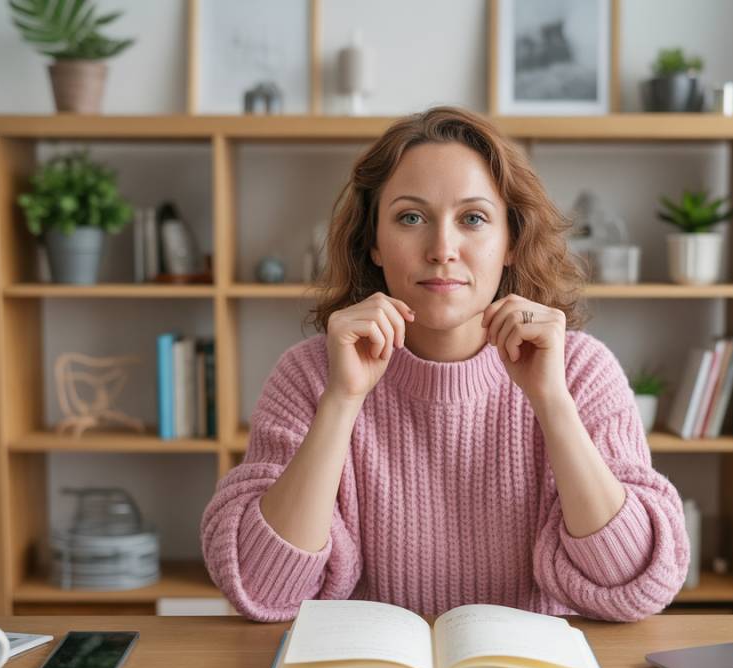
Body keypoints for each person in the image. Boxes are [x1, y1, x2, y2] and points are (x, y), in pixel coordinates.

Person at [201, 106, 688, 623]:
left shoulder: (581, 370)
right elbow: (262, 588)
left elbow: (635, 581)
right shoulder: (309, 375)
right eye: (411, 218)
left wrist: (551, 401)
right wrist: (341, 401)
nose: (442, 249)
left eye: (473, 219)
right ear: (374, 245)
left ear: (511, 243)